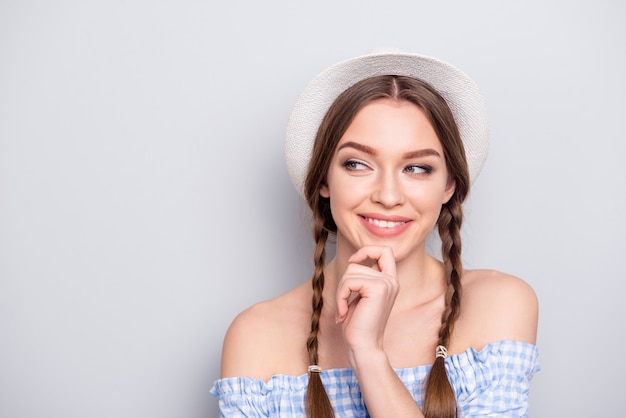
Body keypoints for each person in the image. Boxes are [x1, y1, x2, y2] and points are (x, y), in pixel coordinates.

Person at [210, 49, 539, 417]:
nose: (387, 195)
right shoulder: (256, 336)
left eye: (416, 168)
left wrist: (367, 353)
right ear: (323, 180)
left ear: (449, 186)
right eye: (358, 164)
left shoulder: (498, 304)